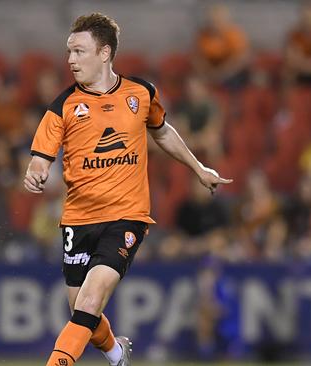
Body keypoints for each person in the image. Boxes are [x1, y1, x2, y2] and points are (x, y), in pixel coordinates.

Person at [23, 13, 232, 366]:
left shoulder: (141, 93)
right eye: (68, 52)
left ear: (104, 53)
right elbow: (40, 157)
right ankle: (116, 353)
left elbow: (162, 130)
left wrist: (198, 168)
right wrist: (36, 171)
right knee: (81, 310)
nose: (70, 60)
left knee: (88, 304)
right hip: (78, 219)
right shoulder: (63, 106)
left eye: (79, 51)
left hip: (126, 217)